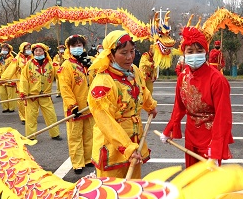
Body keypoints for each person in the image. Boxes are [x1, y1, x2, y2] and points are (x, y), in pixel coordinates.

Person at [161, 26, 233, 199]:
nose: (193, 55)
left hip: (211, 137)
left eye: (197, 50)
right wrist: (169, 129)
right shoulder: (183, 77)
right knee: (192, 180)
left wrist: (216, 149)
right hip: (192, 135)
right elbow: (179, 107)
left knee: (205, 185)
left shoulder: (217, 80)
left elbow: (223, 117)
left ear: (206, 51)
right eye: (189, 51)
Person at [87, 30, 158, 179]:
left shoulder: (134, 71)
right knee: (112, 194)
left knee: (132, 190)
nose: (129, 57)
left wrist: (150, 105)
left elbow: (142, 90)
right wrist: (128, 148)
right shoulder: (103, 82)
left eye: (132, 51)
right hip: (112, 149)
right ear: (110, 54)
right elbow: (106, 122)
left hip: (134, 142)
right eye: (123, 53)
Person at [57, 34, 94, 175]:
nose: (77, 48)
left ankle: (87, 159)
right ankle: (78, 163)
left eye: (79, 45)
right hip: (76, 108)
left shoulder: (88, 63)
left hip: (89, 106)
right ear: (69, 48)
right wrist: (72, 105)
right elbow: (65, 88)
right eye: (74, 46)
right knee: (75, 136)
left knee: (89, 135)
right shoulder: (66, 66)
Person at [19, 43, 62, 140]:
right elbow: (24, 79)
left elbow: (61, 76)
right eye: (36, 51)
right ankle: (31, 136)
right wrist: (23, 92)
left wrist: (65, 87)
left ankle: (55, 134)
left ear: (44, 52)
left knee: (51, 115)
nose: (38, 53)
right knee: (30, 117)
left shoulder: (52, 65)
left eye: (40, 51)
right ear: (33, 52)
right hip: (31, 96)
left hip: (46, 95)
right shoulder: (28, 65)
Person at [3, 41, 32, 124]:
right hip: (20, 82)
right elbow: (11, 69)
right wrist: (4, 79)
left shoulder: (33, 57)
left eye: (29, 48)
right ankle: (23, 118)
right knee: (21, 100)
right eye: (27, 48)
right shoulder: (17, 58)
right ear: (22, 49)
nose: (28, 50)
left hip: (32, 82)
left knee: (32, 100)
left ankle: (31, 116)